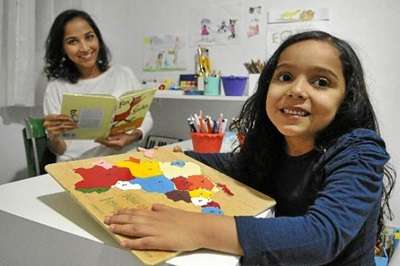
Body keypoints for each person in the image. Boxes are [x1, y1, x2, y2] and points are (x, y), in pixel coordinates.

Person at [103, 31, 396, 265]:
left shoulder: (359, 150)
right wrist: (177, 158)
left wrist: (197, 228)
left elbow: (319, 237)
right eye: (285, 77)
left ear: (346, 98)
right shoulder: (276, 144)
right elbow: (235, 165)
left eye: (320, 82)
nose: (296, 90)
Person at [42, 9, 153, 161]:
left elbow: (145, 117)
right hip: (76, 166)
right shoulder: (56, 88)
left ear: (98, 38)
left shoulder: (123, 74)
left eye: (89, 37)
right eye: (72, 41)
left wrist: (131, 137)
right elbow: (60, 150)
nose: (85, 48)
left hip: (125, 161)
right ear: (62, 48)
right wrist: (54, 138)